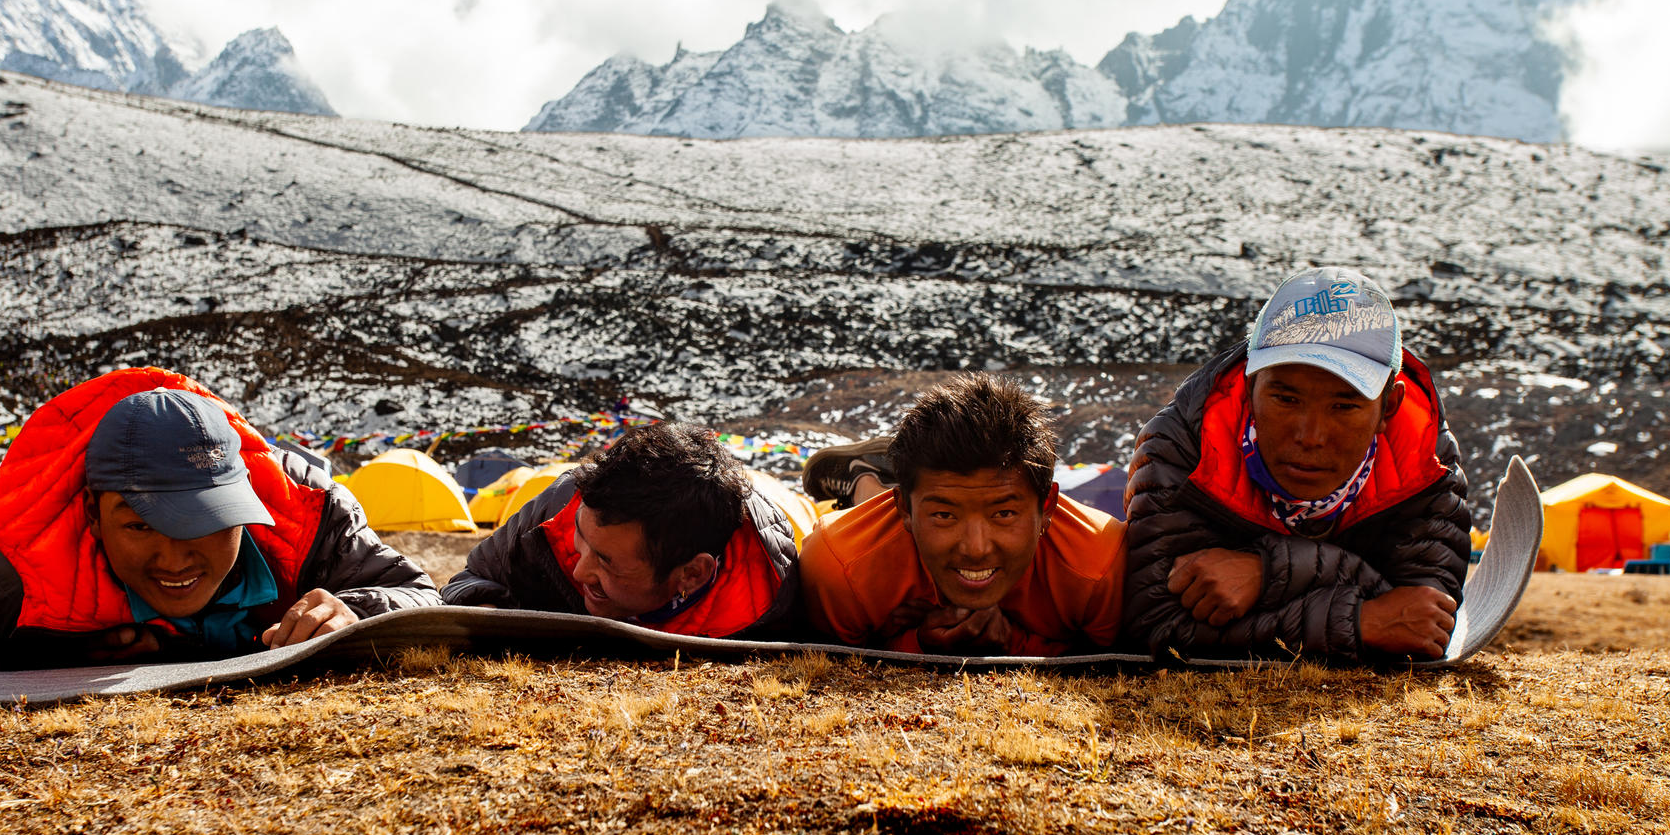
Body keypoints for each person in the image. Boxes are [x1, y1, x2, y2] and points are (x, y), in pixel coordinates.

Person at [0, 368, 440, 670]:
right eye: (141, 525)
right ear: (92, 518)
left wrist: (356, 614)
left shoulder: (308, 513)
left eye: (205, 519)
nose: (174, 559)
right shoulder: (10, 550)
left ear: (248, 506)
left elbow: (424, 598)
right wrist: (48, 653)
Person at [1122, 266, 1470, 663]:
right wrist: (1359, 621)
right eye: (1286, 400)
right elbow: (1158, 626)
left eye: (1344, 406)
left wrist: (1266, 573)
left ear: (1388, 407)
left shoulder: (1424, 465)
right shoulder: (1186, 446)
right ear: (1251, 388)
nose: (1311, 435)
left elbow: (1420, 621)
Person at [799, 373, 1126, 656]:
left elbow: (1107, 670)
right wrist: (918, 643)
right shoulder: (838, 566)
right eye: (944, 515)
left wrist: (1012, 641)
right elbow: (836, 666)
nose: (976, 548)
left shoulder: (1101, 563)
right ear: (905, 510)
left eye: (1004, 513)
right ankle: (865, 480)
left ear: (1046, 508)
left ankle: (874, 478)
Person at [441, 422, 800, 638]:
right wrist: (492, 615)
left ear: (692, 573)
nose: (581, 571)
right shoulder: (560, 507)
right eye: (583, 539)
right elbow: (470, 578)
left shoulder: (767, 591)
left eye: (607, 562)